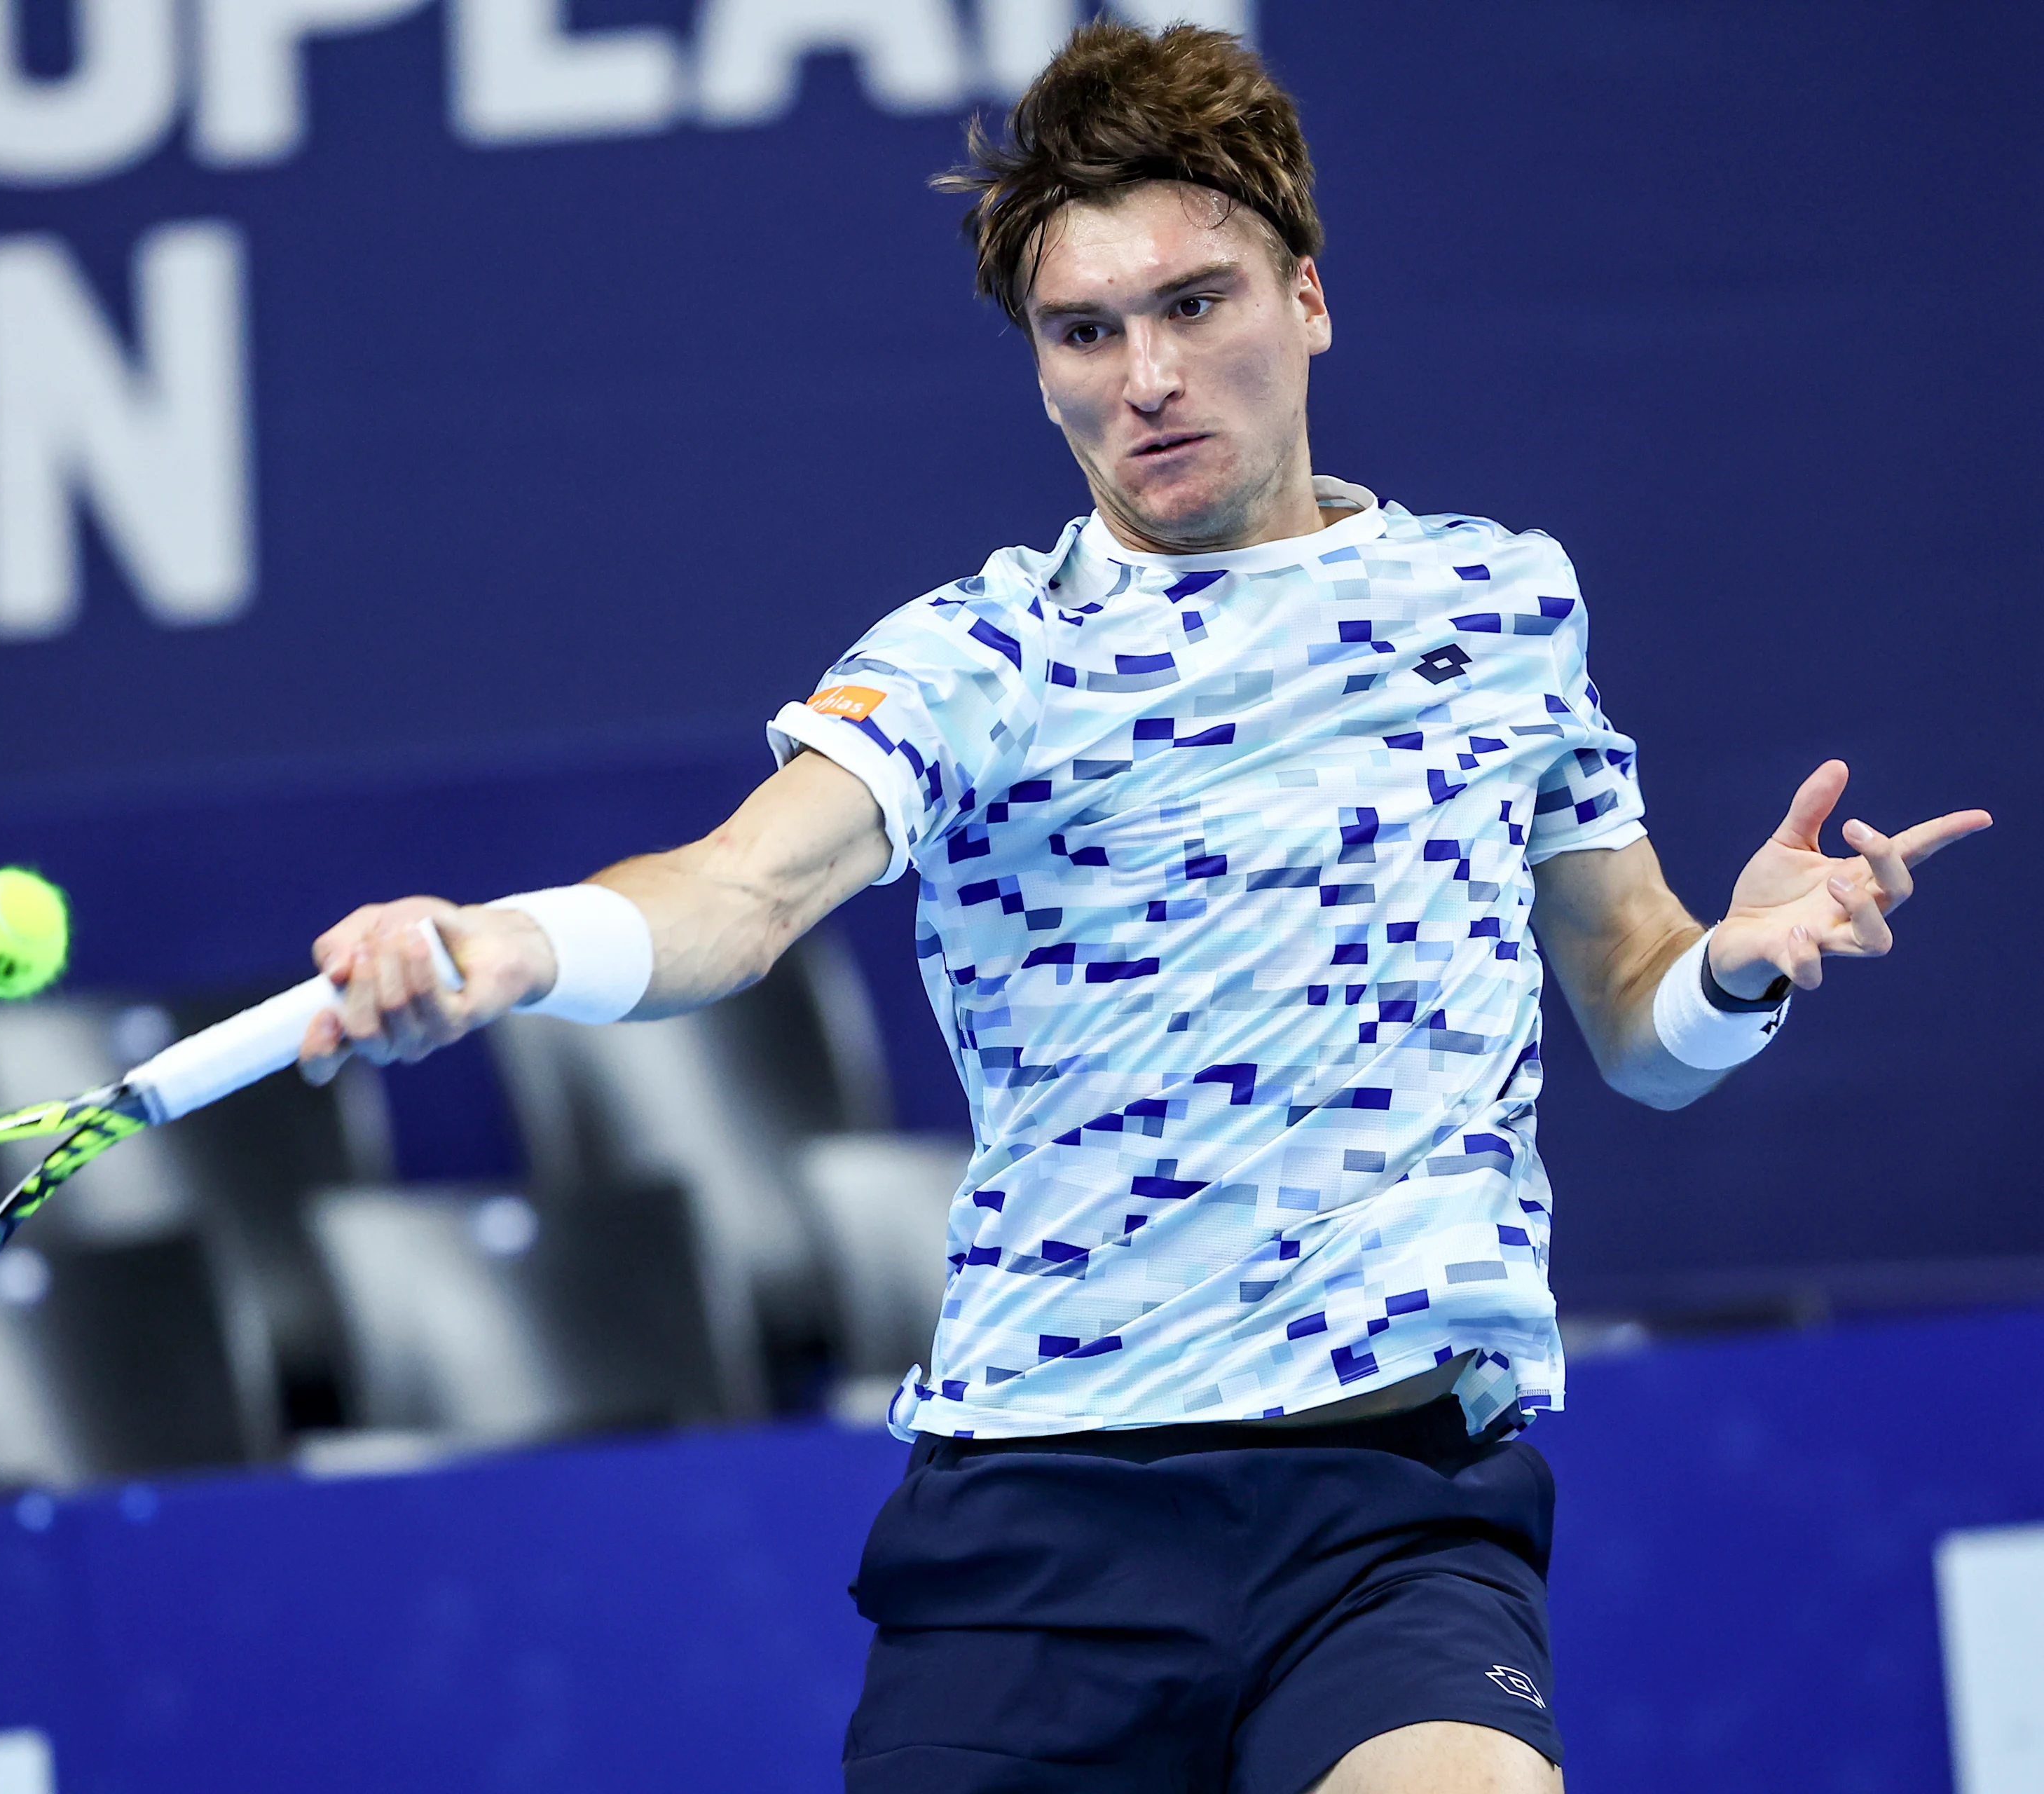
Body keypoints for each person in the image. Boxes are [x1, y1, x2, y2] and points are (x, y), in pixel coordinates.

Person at [294, 22, 1990, 1793]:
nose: (1146, 376)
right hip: (1044, 1515)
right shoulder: (981, 656)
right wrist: (508, 944)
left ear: (1309, 297)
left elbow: (1638, 1012)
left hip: (1393, 1503)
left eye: (1197, 304)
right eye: (1084, 331)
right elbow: (736, 890)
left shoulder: (1496, 602)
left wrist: (1732, 965)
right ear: (1036, 364)